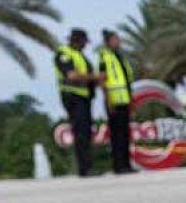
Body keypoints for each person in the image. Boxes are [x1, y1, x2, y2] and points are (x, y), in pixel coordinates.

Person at [54, 28, 105, 176]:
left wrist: (95, 81)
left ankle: (88, 166)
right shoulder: (64, 54)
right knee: (81, 132)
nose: (85, 45)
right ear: (77, 40)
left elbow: (86, 76)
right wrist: (95, 77)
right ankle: (84, 168)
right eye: (83, 42)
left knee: (87, 132)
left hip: (84, 97)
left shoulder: (80, 56)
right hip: (73, 97)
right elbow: (71, 75)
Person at [97, 29, 137, 174]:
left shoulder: (121, 57)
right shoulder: (104, 57)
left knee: (125, 134)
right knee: (116, 135)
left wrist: (132, 98)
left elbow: (127, 80)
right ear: (108, 42)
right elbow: (102, 79)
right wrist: (108, 100)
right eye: (115, 39)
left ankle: (126, 164)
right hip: (113, 102)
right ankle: (118, 165)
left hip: (125, 100)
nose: (118, 42)